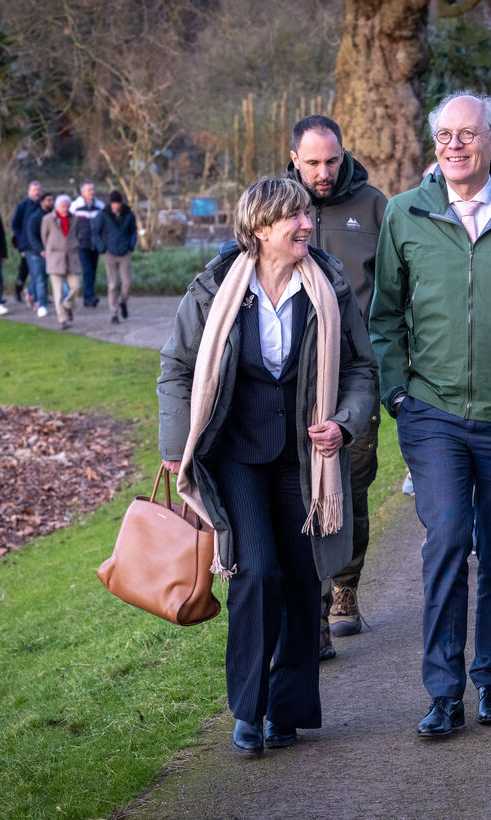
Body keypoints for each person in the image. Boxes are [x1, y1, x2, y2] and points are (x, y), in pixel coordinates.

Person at [157, 175, 377, 756]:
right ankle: (249, 711)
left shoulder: (327, 282)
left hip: (305, 459)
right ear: (260, 228)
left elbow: (360, 368)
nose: (307, 224)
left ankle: (289, 709)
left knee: (304, 578)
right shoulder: (214, 286)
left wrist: (345, 422)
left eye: (308, 215)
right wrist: (177, 442)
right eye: (295, 218)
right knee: (257, 573)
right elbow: (177, 366)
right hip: (235, 452)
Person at [370, 91, 491, 738]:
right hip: (434, 413)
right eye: (445, 134)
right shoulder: (405, 213)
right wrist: (397, 394)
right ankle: (444, 692)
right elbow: (386, 316)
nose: (454, 145)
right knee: (450, 538)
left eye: (468, 135)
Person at [286, 113, 388, 653]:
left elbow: (395, 295)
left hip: (354, 377)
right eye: (313, 163)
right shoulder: (277, 206)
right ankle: (314, 613)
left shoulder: (375, 207)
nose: (324, 173)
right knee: (298, 492)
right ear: (295, 160)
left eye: (332, 161)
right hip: (291, 379)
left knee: (349, 487)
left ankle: (344, 588)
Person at [95, 189, 137, 325]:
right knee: (112, 285)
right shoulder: (103, 215)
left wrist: (131, 245)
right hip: (109, 253)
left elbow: (133, 231)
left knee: (127, 283)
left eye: (118, 203)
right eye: (114, 203)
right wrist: (102, 248)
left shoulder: (129, 214)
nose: (116, 205)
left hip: (124, 252)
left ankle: (123, 302)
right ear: (111, 203)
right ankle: (114, 313)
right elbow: (96, 232)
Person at [41, 195, 83, 329]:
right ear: (57, 207)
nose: (65, 209)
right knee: (57, 291)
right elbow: (44, 236)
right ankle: (62, 319)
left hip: (71, 257)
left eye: (67, 206)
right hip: (55, 258)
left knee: (75, 286)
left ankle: (68, 305)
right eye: (62, 206)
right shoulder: (48, 219)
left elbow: (78, 234)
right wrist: (50, 249)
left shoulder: (75, 219)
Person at [69, 182, 105, 307]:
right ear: (82, 192)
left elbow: (104, 225)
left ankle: (88, 297)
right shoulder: (75, 207)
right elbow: (70, 226)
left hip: (95, 244)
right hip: (82, 243)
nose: (92, 192)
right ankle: (90, 297)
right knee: (87, 270)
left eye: (93, 189)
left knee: (93, 271)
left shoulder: (100, 206)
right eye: (89, 190)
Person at [22, 192, 55, 317]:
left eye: (52, 200)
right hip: (35, 252)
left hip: (50, 252)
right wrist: (40, 250)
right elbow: (32, 236)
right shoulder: (35, 218)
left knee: (41, 277)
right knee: (40, 278)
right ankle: (42, 304)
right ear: (42, 202)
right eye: (48, 200)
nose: (51, 202)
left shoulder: (53, 217)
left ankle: (30, 291)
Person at [11, 181, 42, 305]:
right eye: (34, 190)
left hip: (40, 243)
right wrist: (21, 237)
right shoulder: (23, 206)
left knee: (40, 270)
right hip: (26, 244)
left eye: (38, 190)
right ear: (29, 191)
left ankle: (38, 293)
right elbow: (15, 224)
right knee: (24, 270)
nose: (36, 192)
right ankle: (18, 291)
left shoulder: (42, 206)